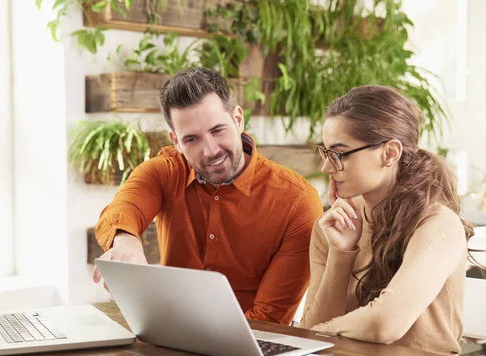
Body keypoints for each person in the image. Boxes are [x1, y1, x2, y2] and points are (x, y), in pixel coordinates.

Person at [93, 67, 323, 325]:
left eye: (217, 130)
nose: (210, 150)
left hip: (256, 343)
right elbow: (123, 208)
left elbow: (269, 319)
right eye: (191, 139)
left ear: (238, 119)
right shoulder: (167, 171)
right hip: (171, 335)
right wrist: (125, 241)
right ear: (175, 141)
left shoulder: (297, 201)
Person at [300, 85, 474, 355]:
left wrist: (318, 330)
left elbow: (384, 325)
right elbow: (309, 334)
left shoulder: (438, 224)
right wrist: (341, 251)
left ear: (390, 153)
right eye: (326, 152)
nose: (326, 167)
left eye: (340, 154)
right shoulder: (333, 227)